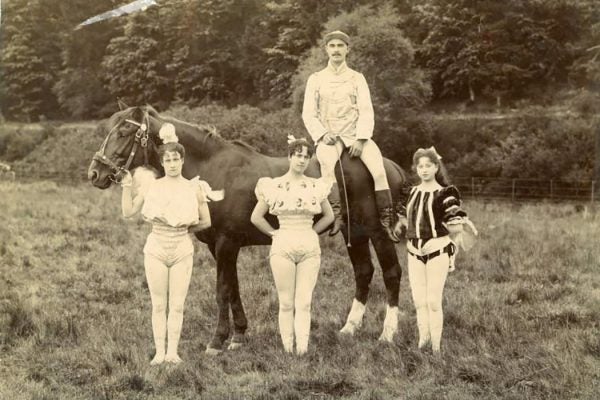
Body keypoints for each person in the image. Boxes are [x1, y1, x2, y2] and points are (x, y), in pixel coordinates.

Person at [120, 123, 211, 365]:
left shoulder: (194, 187)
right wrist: (127, 186)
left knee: (178, 305)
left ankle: (173, 352)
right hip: (156, 248)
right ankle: (160, 353)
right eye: (167, 160)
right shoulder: (152, 186)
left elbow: (206, 221)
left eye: (176, 159)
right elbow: (128, 212)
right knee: (159, 304)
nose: (172, 164)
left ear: (182, 160)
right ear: (162, 163)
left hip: (181, 248)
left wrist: (182, 229)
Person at [302, 30, 399, 242]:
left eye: (340, 46)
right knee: (327, 167)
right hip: (330, 137)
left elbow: (366, 110)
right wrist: (322, 134)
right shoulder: (316, 79)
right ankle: (337, 217)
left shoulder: (357, 78)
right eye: (332, 46)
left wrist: (361, 138)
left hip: (355, 134)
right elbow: (308, 113)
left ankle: (386, 221)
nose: (336, 50)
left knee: (379, 172)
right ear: (326, 49)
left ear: (348, 49)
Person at [250, 137, 334, 355]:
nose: (302, 160)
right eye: (298, 155)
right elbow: (256, 217)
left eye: (306, 156)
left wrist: (312, 233)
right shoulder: (273, 185)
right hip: (283, 244)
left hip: (308, 245)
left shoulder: (315, 185)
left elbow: (329, 216)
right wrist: (274, 233)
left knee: (304, 302)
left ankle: (302, 350)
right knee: (286, 302)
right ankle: (288, 349)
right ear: (289, 157)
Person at [405, 147, 469, 354]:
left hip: (437, 250)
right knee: (418, 301)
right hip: (414, 251)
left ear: (435, 167)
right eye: (420, 166)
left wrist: (455, 223)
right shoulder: (411, 192)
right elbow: (407, 221)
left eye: (428, 166)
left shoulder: (445, 193)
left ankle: (436, 349)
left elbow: (456, 226)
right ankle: (422, 343)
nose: (423, 170)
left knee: (433, 301)